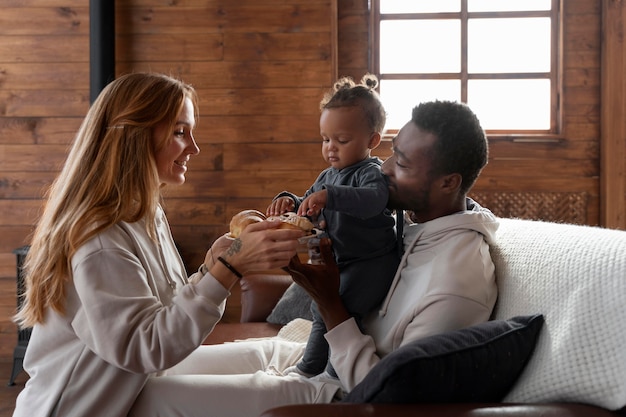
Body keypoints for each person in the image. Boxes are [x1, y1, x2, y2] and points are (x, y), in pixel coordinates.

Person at [127, 100, 499, 417]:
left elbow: (387, 393)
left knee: (149, 401)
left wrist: (327, 300)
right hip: (310, 356)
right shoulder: (414, 221)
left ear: (449, 183)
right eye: (390, 154)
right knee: (146, 373)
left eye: (400, 164)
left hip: (335, 388)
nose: (382, 170)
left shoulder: (458, 280)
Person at [11, 73, 305, 417]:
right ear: (135, 136)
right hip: (88, 407)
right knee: (285, 392)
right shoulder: (100, 238)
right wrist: (228, 269)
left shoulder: (144, 212)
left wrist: (212, 266)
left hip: (134, 381)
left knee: (274, 353)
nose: (194, 147)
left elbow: (164, 316)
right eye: (181, 132)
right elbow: (147, 347)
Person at [266, 74, 400, 377]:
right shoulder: (327, 176)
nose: (331, 149)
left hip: (370, 262)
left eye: (341, 141)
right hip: (336, 262)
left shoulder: (371, 172)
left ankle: (329, 373)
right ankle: (311, 368)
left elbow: (373, 202)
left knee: (341, 310)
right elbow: (309, 205)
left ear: (372, 140)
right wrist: (289, 201)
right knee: (319, 308)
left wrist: (331, 197)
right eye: (326, 140)